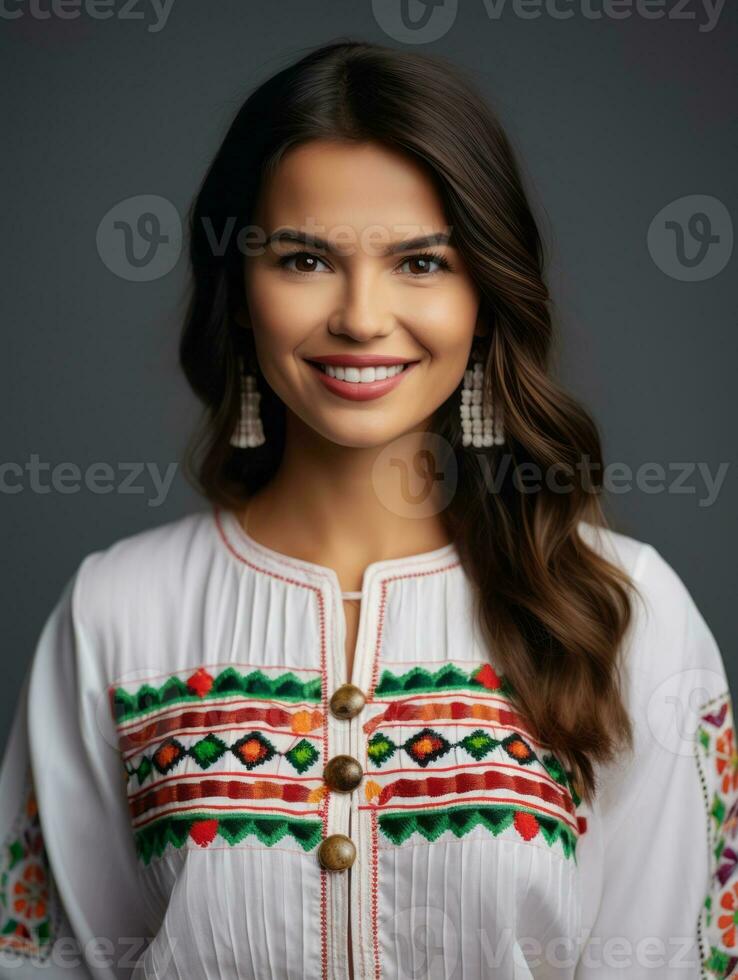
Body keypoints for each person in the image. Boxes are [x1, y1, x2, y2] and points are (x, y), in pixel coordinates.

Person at [0, 39, 734, 980]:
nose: (360, 315)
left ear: (485, 293)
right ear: (238, 292)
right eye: (305, 258)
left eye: (420, 263)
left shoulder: (624, 609)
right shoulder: (116, 611)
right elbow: (45, 959)